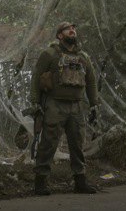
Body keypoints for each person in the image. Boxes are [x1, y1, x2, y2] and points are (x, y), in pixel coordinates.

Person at [28, 21, 100, 195]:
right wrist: (35, 102)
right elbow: (37, 77)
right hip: (54, 105)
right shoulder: (50, 54)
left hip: (77, 106)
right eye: (68, 29)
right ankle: (40, 183)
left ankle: (80, 182)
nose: (72, 30)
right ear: (60, 35)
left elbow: (91, 81)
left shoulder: (83, 57)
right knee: (48, 143)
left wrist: (94, 104)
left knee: (78, 144)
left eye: (74, 28)